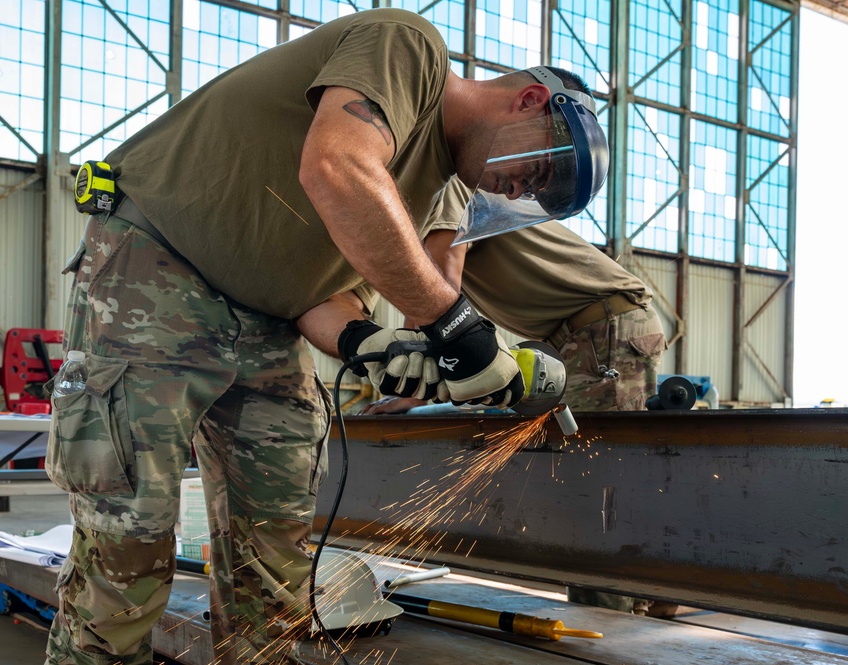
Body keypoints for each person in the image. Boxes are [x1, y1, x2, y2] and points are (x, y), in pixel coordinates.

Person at [45, 8, 608, 665]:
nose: (516, 188)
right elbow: (335, 165)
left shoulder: (426, 195)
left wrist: (371, 346)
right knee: (129, 539)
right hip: (160, 267)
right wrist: (458, 330)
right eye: (534, 171)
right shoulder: (410, 48)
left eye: (531, 192)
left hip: (267, 319)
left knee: (274, 550)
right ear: (530, 99)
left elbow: (327, 297)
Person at [362, 177, 666, 417]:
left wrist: (414, 392)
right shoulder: (421, 214)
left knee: (599, 454)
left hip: (607, 324)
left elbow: (440, 284)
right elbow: (424, 298)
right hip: (577, 335)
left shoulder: (445, 187)